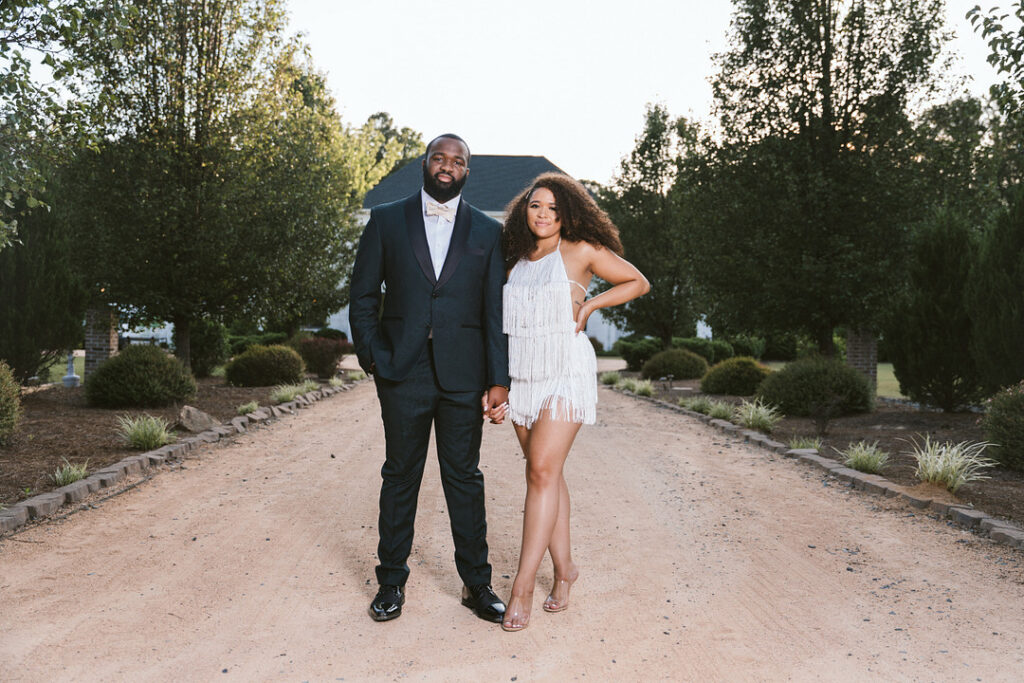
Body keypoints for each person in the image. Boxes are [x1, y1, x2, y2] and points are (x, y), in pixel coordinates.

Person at [349, 134, 510, 624]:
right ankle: (391, 582)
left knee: (464, 477)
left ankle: (476, 584)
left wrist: (498, 379)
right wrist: (374, 356)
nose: (447, 166)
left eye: (457, 161)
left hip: (464, 375)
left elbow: (493, 310)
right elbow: (362, 296)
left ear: (467, 171)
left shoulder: (487, 231)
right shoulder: (386, 219)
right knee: (400, 475)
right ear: (425, 163)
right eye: (439, 157)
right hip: (402, 370)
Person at [492, 172, 650, 632]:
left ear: (569, 214)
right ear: (525, 209)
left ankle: (521, 587)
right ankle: (566, 571)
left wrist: (588, 306)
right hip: (522, 374)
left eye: (554, 209)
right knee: (547, 474)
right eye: (536, 206)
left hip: (564, 369)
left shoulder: (580, 250)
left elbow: (637, 281)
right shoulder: (515, 256)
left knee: (541, 471)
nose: (543, 215)